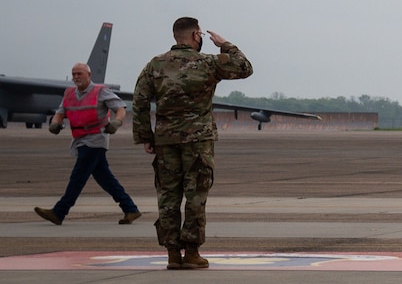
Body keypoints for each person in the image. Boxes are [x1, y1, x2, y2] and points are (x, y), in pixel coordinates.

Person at [129, 18, 253, 270]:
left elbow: (140, 101)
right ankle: (192, 252)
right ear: (196, 35)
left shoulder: (155, 64)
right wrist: (225, 44)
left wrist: (145, 137)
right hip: (198, 140)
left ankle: (173, 253)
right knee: (195, 195)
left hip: (165, 141)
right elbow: (245, 67)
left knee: (168, 197)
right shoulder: (208, 63)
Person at [35, 63, 143, 226]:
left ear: (89, 75)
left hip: (96, 139)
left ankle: (59, 212)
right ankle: (130, 208)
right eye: (74, 74)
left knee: (78, 176)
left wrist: (116, 122)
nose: (76, 77)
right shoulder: (69, 93)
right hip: (79, 138)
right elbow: (60, 112)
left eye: (80, 73)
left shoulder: (100, 91)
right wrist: (55, 124)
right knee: (104, 178)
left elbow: (120, 107)